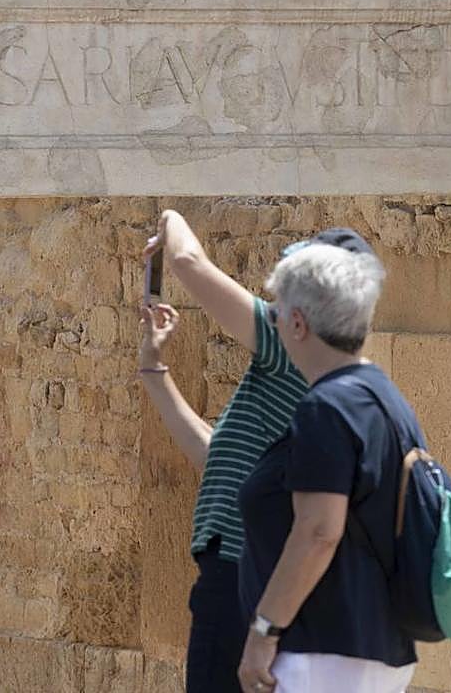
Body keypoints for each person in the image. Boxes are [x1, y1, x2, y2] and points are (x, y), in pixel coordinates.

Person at [236, 240, 425, 693]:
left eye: (276, 312)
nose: (275, 321)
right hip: (371, 649)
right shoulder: (382, 397)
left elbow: (320, 531)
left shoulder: (326, 407)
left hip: (322, 655)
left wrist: (264, 631)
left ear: (298, 323)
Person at [136, 209, 308, 693]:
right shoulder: (310, 372)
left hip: (237, 578)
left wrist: (168, 218)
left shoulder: (291, 345)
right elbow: (220, 465)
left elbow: (189, 260)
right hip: (250, 578)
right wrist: (153, 370)